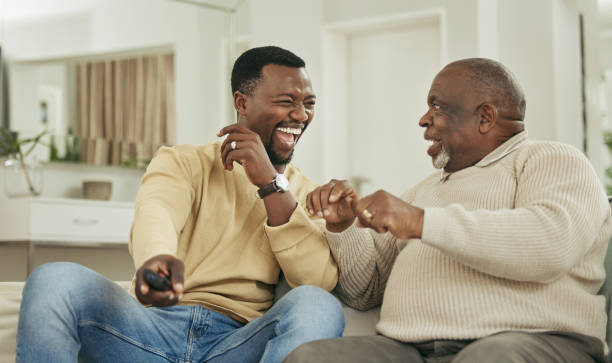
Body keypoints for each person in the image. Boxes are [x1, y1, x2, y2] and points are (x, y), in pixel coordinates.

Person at [16, 46, 344, 363]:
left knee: (317, 304)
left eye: (308, 103)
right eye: (287, 102)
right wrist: (156, 261)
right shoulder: (183, 162)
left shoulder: (305, 194)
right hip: (148, 332)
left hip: (237, 344)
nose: (301, 115)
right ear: (242, 102)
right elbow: (156, 213)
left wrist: (270, 185)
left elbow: (318, 281)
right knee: (53, 279)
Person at [286, 58, 610, 363]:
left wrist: (420, 221)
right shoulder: (424, 189)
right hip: (411, 350)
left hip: (532, 340)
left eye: (436, 106)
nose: (423, 119)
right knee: (312, 357)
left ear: (484, 117)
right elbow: (365, 293)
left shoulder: (552, 160)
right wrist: (344, 228)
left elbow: (550, 245)